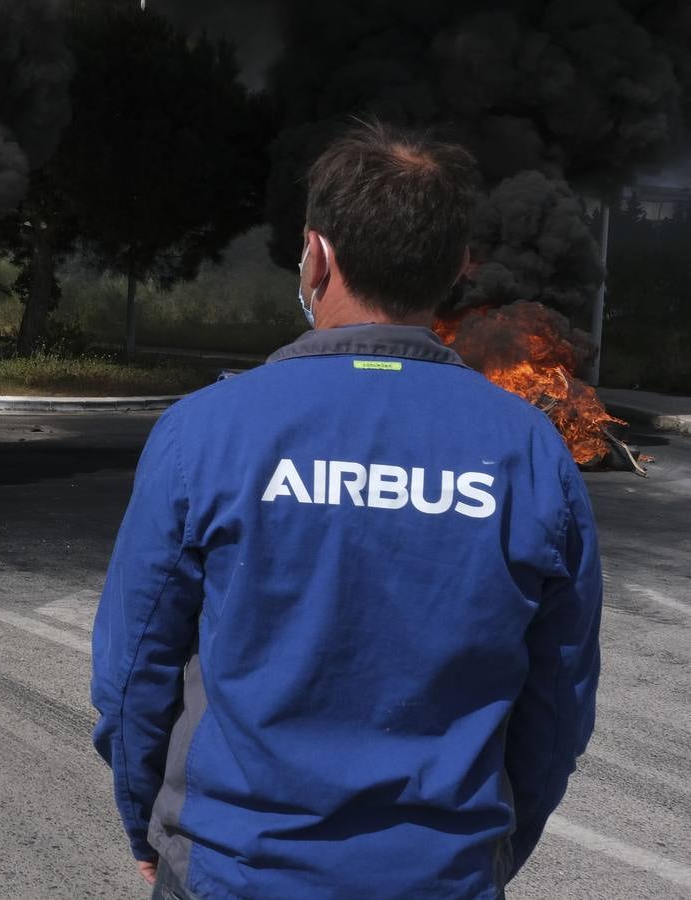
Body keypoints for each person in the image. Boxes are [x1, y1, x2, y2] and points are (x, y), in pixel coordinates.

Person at [91, 121, 601, 900]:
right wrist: (487, 855)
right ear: (455, 269)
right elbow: (558, 705)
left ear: (316, 255)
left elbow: (133, 676)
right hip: (442, 880)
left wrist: (148, 825)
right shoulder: (530, 452)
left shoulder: (206, 432)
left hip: (235, 871)